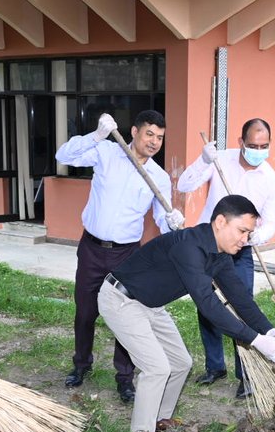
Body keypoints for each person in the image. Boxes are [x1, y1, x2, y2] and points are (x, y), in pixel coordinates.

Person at [98, 195, 275, 432]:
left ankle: (159, 419)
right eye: (242, 231)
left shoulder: (220, 256)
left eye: (249, 233)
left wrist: (269, 331)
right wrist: (255, 340)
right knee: (156, 369)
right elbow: (208, 304)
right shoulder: (189, 247)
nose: (245, 239)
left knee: (181, 363)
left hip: (150, 305)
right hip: (121, 300)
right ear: (221, 222)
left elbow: (240, 299)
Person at [55, 110, 184, 404]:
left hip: (126, 255)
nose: (154, 141)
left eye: (160, 137)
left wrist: (172, 222)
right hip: (91, 247)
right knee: (85, 311)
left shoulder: (158, 177)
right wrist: (97, 134)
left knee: (125, 318)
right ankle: (81, 365)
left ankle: (124, 378)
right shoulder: (107, 152)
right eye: (149, 134)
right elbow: (64, 155)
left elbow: (162, 221)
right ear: (135, 132)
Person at [177, 118, 275, 398]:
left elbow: (272, 222)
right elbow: (185, 185)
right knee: (207, 305)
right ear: (240, 142)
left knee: (240, 307)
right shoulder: (220, 160)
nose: (258, 150)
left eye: (264, 146)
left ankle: (245, 373)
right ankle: (214, 366)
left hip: (240, 253)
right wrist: (202, 160)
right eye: (252, 145)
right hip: (208, 248)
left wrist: (254, 237)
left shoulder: (271, 181)